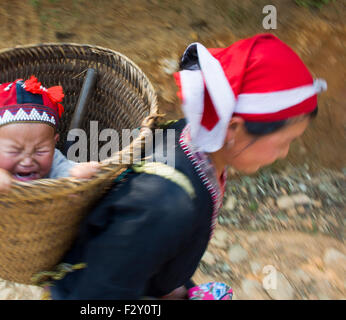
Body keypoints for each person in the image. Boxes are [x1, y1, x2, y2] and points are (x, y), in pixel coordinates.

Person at [49, 33, 327, 300]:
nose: (284, 153)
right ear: (233, 128)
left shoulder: (190, 139)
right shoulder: (163, 205)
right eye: (284, 142)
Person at [0, 76, 100, 193]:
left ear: (54, 143)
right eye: (14, 151)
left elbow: (65, 172)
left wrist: (78, 173)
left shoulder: (53, 157)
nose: (28, 161)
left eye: (40, 150)